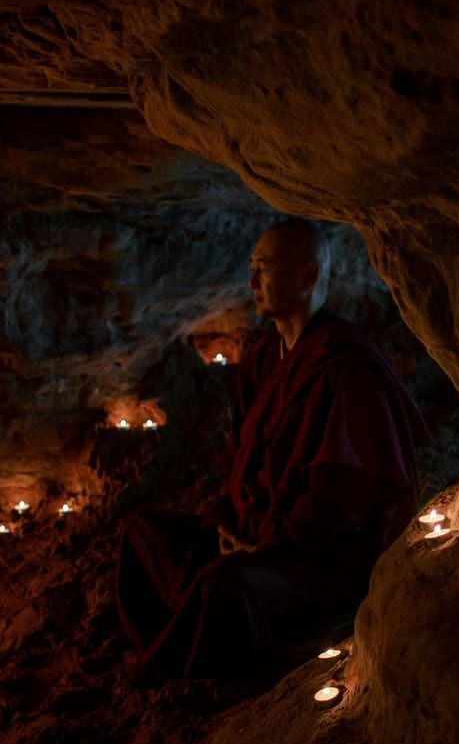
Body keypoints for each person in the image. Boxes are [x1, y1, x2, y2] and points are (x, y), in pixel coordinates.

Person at [115, 219, 430, 683]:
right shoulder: (264, 356)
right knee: (143, 533)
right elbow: (240, 456)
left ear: (306, 276)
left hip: (310, 557)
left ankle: (177, 662)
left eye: (262, 268)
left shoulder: (346, 367)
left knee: (225, 583)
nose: (251, 282)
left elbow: (338, 500)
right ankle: (178, 636)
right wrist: (228, 521)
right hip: (254, 530)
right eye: (252, 268)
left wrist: (262, 547)